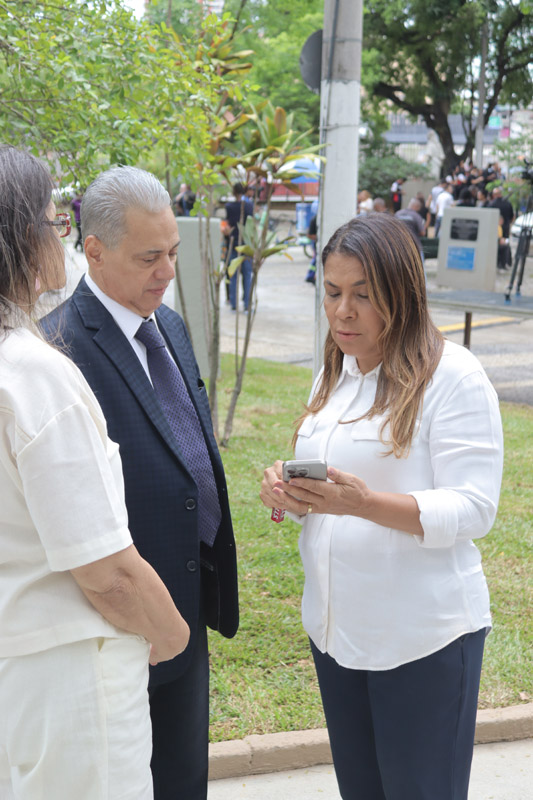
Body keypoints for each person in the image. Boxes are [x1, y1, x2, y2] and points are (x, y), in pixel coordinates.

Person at [260, 213, 503, 800]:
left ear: (402, 292)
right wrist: (290, 495)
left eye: (363, 295)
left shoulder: (454, 377)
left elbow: (475, 507)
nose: (343, 311)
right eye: (333, 292)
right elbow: (326, 487)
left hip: (421, 639)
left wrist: (365, 504)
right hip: (338, 633)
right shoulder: (336, 372)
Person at [41, 166, 239, 800]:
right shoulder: (58, 351)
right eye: (149, 257)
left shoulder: (169, 327)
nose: (167, 271)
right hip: (116, 619)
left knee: (184, 778)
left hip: (188, 601)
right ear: (94, 251)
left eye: (173, 252)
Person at [0, 147, 189, 800]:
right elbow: (105, 571)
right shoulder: (36, 374)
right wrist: (171, 633)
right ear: (24, 240)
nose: (60, 234)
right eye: (53, 221)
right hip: (75, 677)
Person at [224, 182, 254, 311]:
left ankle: (233, 304)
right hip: (246, 245)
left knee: (233, 275)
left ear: (233, 192)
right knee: (247, 276)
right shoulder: (249, 206)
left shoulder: (229, 206)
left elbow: (228, 225)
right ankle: (247, 304)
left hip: (233, 244)